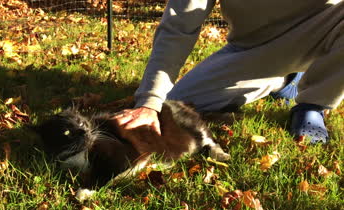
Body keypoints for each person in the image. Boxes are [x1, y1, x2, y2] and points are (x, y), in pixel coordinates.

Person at [113, 0, 343, 144]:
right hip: (251, 51)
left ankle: (312, 105)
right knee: (175, 106)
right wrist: (150, 102)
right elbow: (178, 26)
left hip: (323, 30)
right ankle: (284, 81)